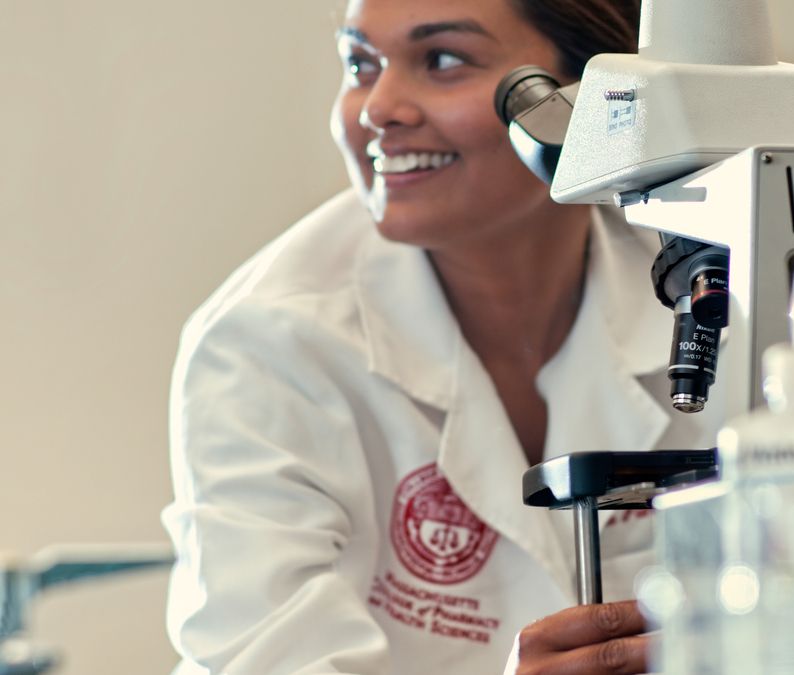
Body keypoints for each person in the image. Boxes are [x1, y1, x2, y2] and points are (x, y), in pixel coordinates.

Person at [162, 0, 724, 673]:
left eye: (444, 59)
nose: (379, 107)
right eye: (360, 64)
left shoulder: (720, 286)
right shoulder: (267, 348)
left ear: (596, 93)